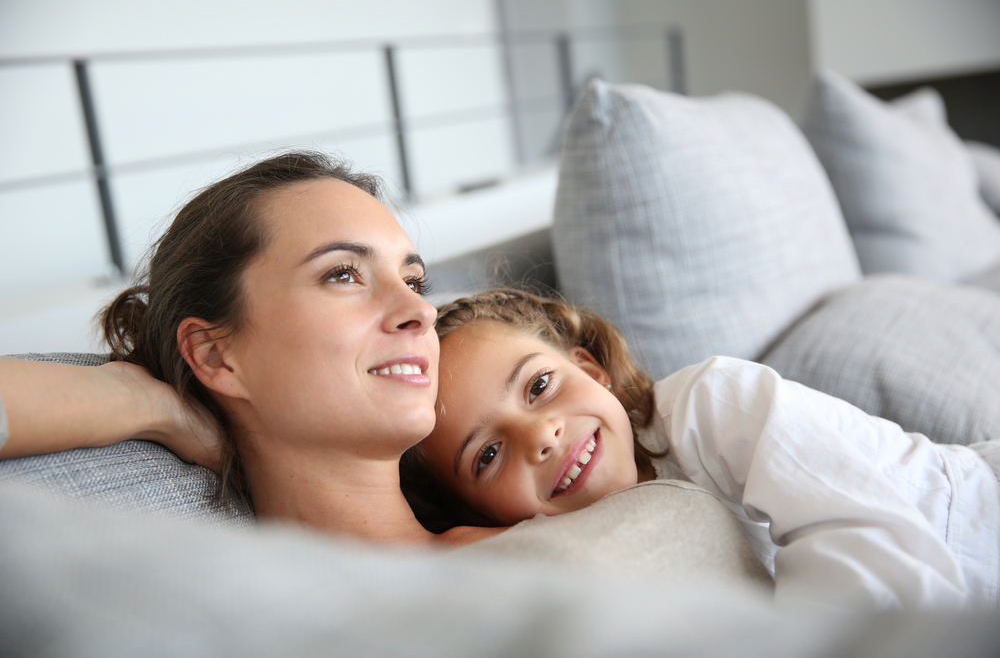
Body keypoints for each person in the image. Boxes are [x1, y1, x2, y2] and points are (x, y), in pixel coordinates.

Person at [0, 150, 499, 546]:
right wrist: (145, 403)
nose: (422, 310)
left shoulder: (532, 555)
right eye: (343, 274)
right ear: (215, 355)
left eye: (414, 280)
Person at [404, 288, 1000, 608]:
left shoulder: (712, 404)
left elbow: (872, 550)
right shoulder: (577, 556)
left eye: (539, 386)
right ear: (480, 519)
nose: (540, 437)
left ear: (590, 369)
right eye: (487, 455)